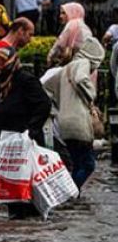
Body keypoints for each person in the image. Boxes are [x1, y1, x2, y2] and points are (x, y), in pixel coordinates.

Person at [0, 47, 51, 219]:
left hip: (24, 147)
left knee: (26, 195)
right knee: (8, 193)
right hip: (6, 147)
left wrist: (30, 132)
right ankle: (14, 228)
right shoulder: (1, 85)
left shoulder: (25, 81)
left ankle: (28, 228)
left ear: (8, 64)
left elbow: (44, 105)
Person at [42, 37, 104, 191]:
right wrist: (91, 95)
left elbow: (45, 88)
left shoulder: (66, 69)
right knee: (88, 164)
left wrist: (56, 108)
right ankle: (70, 192)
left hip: (64, 124)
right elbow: (81, 78)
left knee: (77, 163)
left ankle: (71, 193)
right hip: (78, 124)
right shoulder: (83, 63)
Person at [0, 18, 35, 111]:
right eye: (29, 34)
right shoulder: (2, 49)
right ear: (21, 31)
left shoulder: (6, 49)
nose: (30, 40)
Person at [48, 2, 93, 67]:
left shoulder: (72, 24)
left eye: (64, 13)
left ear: (72, 12)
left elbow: (60, 43)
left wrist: (50, 57)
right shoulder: (85, 27)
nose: (60, 16)